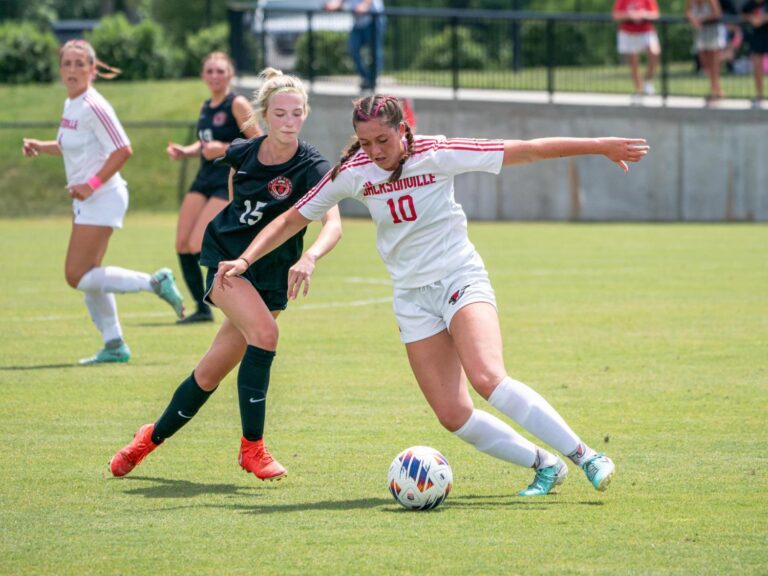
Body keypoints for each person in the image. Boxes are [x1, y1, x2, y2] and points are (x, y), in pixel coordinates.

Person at [219, 95, 650, 496]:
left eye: (383, 140)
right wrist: (245, 258)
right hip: (411, 297)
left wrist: (599, 145)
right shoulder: (354, 171)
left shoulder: (437, 152)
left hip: (459, 278)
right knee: (452, 414)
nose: (375, 151)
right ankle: (545, 464)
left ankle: (587, 456)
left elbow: (530, 149)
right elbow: (293, 218)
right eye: (366, 142)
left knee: (487, 377)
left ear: (403, 130)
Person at [109, 68, 342, 481]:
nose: (289, 122)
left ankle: (148, 438)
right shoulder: (243, 152)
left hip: (271, 273)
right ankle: (253, 449)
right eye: (280, 114)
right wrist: (237, 246)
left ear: (305, 115)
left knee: (209, 373)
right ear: (265, 116)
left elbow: (334, 224)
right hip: (228, 261)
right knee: (266, 335)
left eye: (297, 114)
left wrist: (310, 258)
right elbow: (236, 196)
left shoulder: (313, 164)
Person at [21, 39, 185, 366]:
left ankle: (155, 282)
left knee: (76, 275)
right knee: (90, 275)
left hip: (103, 197)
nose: (72, 69)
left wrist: (91, 184)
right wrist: (43, 145)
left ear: (93, 70)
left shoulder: (94, 104)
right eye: (67, 63)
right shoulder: (72, 104)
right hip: (88, 199)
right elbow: (73, 145)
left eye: (80, 64)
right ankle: (114, 344)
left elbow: (123, 149)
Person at [167, 52, 262, 324]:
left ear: (230, 74)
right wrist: (186, 151)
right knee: (183, 243)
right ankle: (202, 309)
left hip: (226, 180)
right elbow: (204, 143)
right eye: (209, 71)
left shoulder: (237, 104)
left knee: (198, 242)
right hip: (203, 179)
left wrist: (223, 149)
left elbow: (258, 142)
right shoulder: (206, 106)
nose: (214, 76)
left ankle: (234, 293)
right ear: (203, 75)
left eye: (220, 71)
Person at [324, 0, 385, 91]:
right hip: (359, 22)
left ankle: (372, 79)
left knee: (374, 51)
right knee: (353, 48)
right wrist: (333, 5)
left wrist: (364, 5)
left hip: (373, 20)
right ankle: (366, 78)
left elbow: (366, 4)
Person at [612, 0, 662, 99]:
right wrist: (630, 16)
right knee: (633, 64)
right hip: (628, 33)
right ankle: (639, 91)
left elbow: (656, 14)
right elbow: (616, 15)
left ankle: (648, 82)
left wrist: (643, 14)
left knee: (654, 53)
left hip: (646, 31)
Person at [686, 0, 726, 104]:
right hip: (700, 34)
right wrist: (693, 19)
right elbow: (687, 12)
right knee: (705, 64)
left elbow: (717, 13)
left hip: (713, 32)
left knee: (714, 64)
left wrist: (702, 19)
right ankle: (717, 90)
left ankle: (715, 91)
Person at [741, 0, 768, 107]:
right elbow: (742, 15)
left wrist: (764, 18)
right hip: (756, 39)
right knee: (757, 69)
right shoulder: (749, 4)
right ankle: (759, 95)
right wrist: (751, 19)